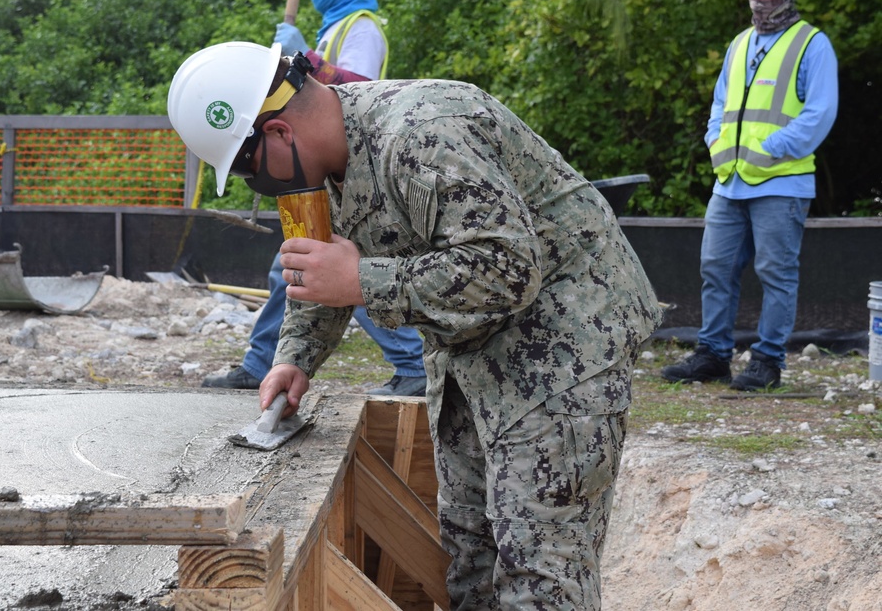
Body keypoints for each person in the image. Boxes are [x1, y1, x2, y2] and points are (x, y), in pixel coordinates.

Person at [167, 41, 662, 609]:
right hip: (469, 352)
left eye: (250, 170)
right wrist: (295, 356)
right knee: (471, 556)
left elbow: (507, 269)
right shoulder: (322, 164)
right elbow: (321, 266)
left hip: (565, 344)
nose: (264, 189)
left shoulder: (422, 136)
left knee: (539, 573)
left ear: (278, 133)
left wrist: (363, 281)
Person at [201, 0, 428, 397]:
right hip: (320, 165)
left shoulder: (361, 29)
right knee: (292, 266)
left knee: (343, 270)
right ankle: (264, 361)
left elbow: (360, 95)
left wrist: (305, 59)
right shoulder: (332, 29)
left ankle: (412, 363)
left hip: (351, 166)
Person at [661, 0, 838, 392]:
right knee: (714, 267)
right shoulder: (740, 44)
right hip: (731, 183)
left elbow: (819, 113)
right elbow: (720, 104)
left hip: (782, 183)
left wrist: (770, 148)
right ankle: (713, 355)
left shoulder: (812, 45)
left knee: (776, 274)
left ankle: (767, 362)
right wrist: (715, 141)